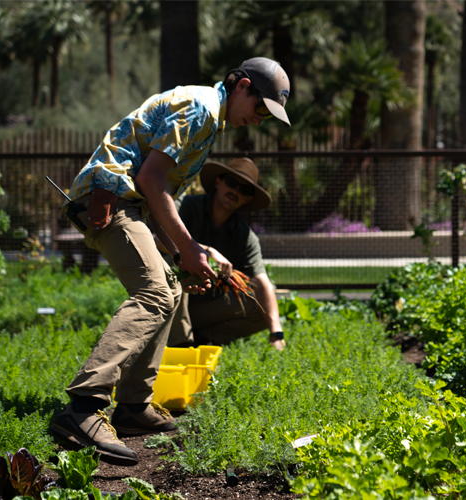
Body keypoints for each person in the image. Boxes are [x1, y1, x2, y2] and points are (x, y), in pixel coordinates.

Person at [50, 57, 291, 466]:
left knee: (172, 288)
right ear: (242, 86)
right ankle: (83, 407)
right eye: (261, 107)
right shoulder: (200, 108)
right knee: (155, 292)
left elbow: (153, 195)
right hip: (110, 200)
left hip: (132, 206)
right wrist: (188, 249)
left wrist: (190, 252)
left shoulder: (210, 119)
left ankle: (132, 407)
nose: (261, 119)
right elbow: (149, 181)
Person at [167, 158, 286, 352]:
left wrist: (276, 334)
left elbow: (262, 281)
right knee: (174, 267)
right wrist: (204, 251)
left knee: (264, 305)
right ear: (218, 182)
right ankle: (182, 344)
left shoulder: (245, 235)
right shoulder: (186, 207)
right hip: (172, 297)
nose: (236, 192)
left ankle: (203, 339)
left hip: (208, 305)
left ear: (248, 199)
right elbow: (157, 239)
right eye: (232, 183)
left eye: (244, 191)